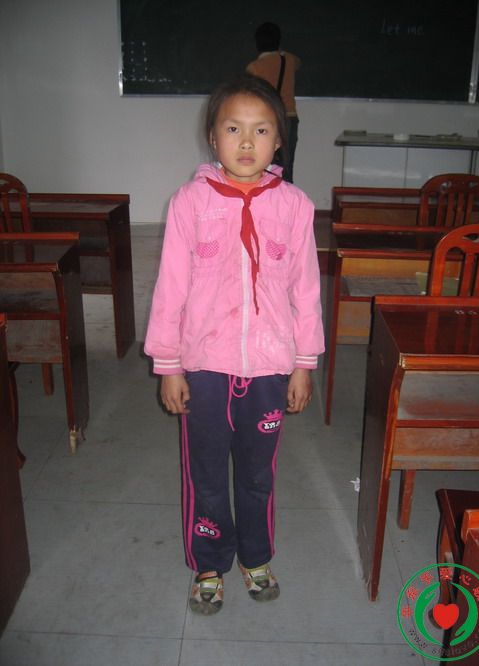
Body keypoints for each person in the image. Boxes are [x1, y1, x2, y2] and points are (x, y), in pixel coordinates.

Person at [144, 74, 324, 615]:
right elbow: (170, 287)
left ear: (279, 141)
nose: (247, 142)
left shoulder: (295, 206)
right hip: (203, 367)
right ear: (213, 137)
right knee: (205, 475)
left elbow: (306, 289)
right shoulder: (189, 203)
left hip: (269, 369)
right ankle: (208, 562)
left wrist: (304, 363)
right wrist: (169, 365)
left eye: (261, 130)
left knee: (257, 474)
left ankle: (256, 556)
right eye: (233, 129)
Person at [246, 22, 301, 183]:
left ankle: (266, 196)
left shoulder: (254, 67)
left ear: (257, 43)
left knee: (265, 165)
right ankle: (287, 197)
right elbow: (299, 63)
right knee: (286, 167)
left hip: (266, 119)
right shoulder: (289, 59)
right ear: (278, 41)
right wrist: (281, 54)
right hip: (288, 117)